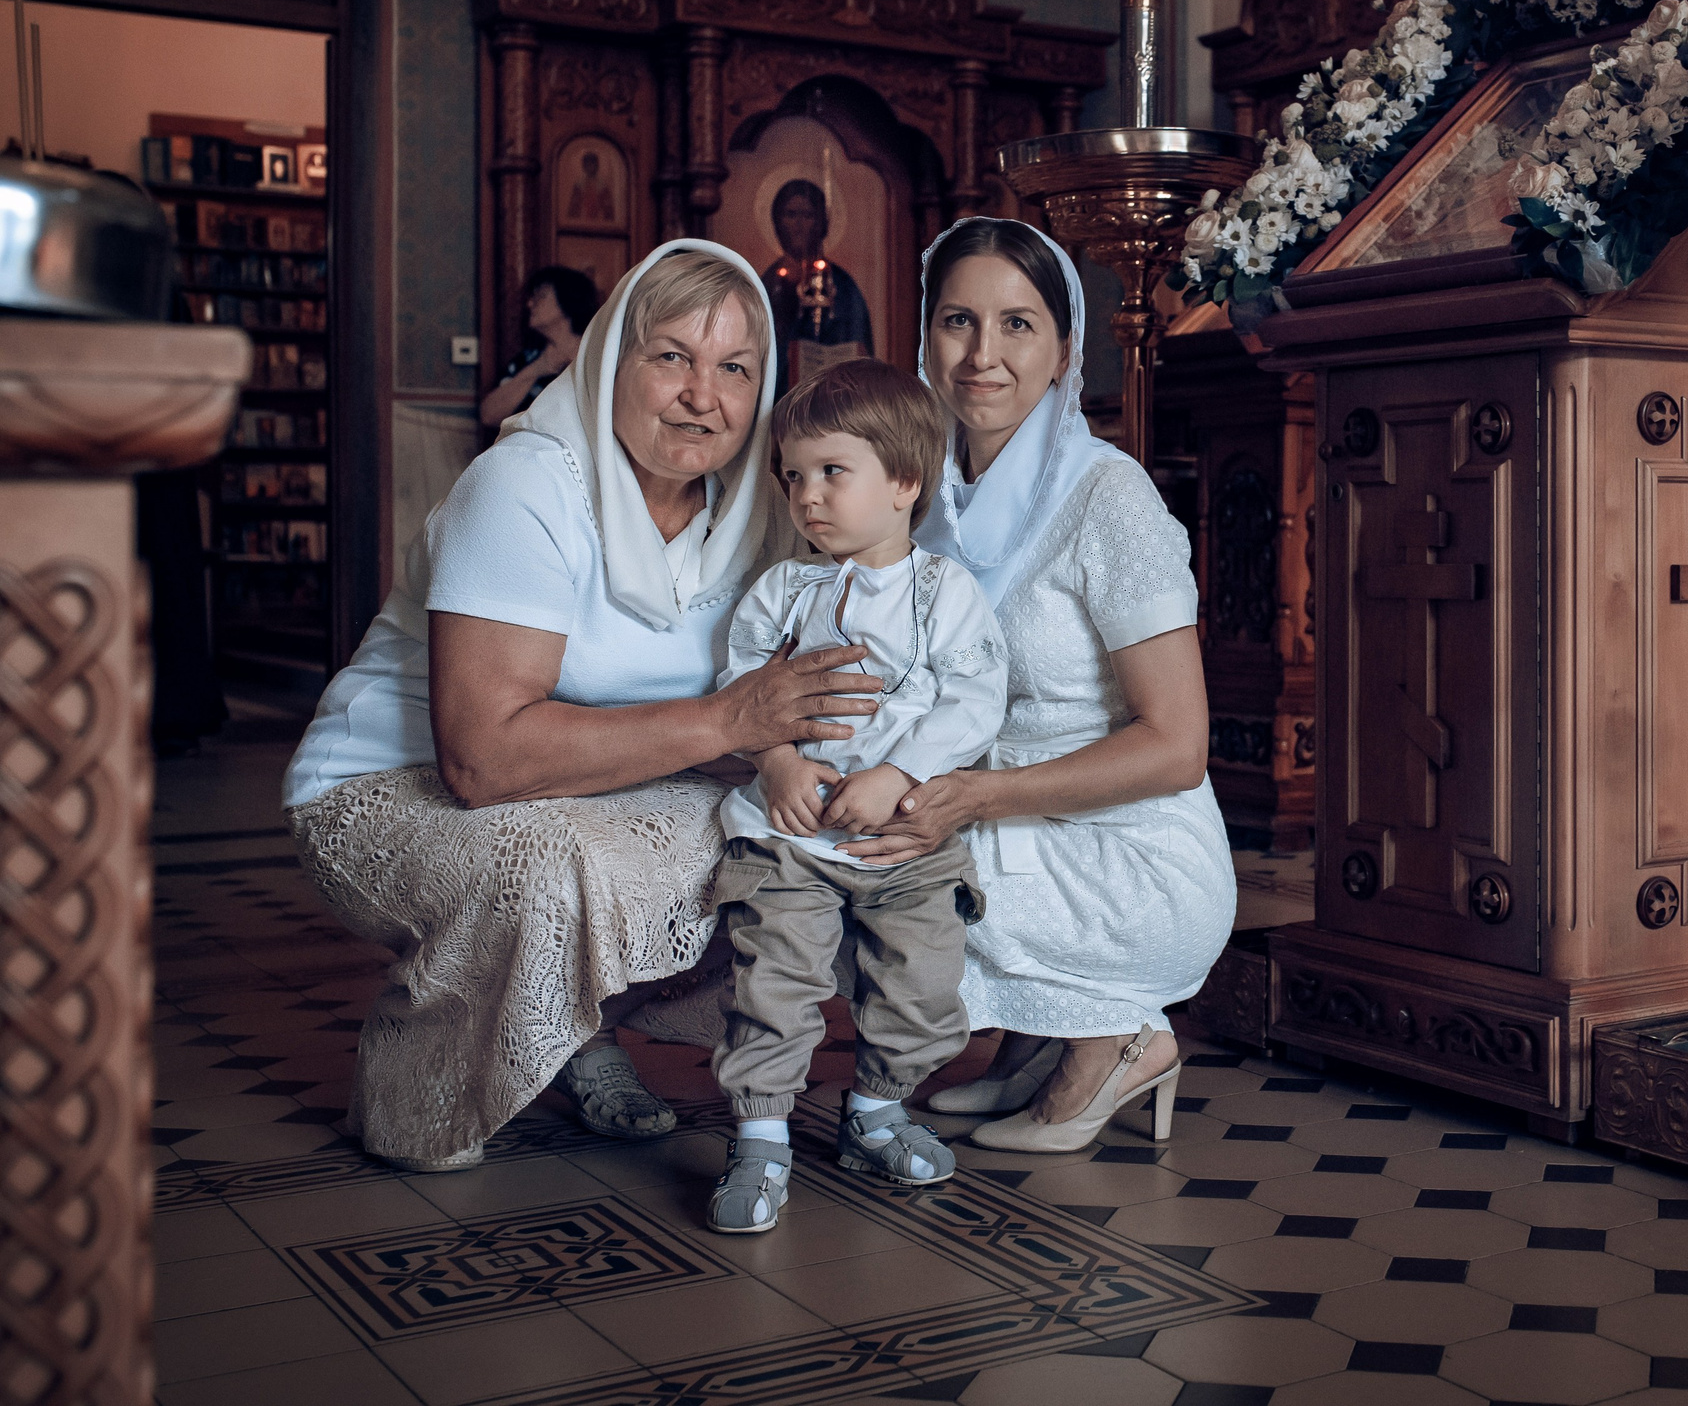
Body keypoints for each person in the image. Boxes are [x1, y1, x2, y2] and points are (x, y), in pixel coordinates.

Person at [281, 241, 885, 1172]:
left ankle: (569, 1025)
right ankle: (416, 1095)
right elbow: (480, 761)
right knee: (551, 861)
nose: (704, 396)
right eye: (672, 357)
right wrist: (731, 720)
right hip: (389, 792)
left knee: (795, 844)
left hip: (595, 783)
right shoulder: (523, 487)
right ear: (609, 360)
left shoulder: (760, 507)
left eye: (736, 369)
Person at [839, 216, 1234, 1154]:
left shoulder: (1109, 497)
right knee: (817, 835)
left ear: (1065, 351)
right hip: (1009, 822)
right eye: (958, 321)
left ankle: (1120, 1037)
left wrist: (972, 795)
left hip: (1134, 860)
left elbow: (1177, 747)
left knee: (861, 877)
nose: (983, 354)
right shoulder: (927, 496)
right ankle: (1037, 1039)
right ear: (925, 337)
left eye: (1018, 325)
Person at [704, 360, 1008, 1232]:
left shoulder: (944, 593)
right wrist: (778, 764)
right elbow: (740, 691)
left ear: (904, 481)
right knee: (775, 979)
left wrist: (899, 774)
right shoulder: (782, 591)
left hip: (903, 841)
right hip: (791, 838)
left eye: (833, 471)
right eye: (794, 475)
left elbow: (974, 695)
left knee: (922, 981)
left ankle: (877, 1111)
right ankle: (760, 1139)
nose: (808, 496)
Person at [478, 266, 600, 428]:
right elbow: (488, 416)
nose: (529, 304)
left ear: (568, 300)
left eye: (540, 296)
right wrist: (538, 368)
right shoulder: (527, 359)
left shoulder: (598, 354)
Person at [763, 178, 874, 356]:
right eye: (791, 214)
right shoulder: (768, 283)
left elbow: (857, 346)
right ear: (777, 222)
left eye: (807, 215)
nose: (798, 224)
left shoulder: (842, 285)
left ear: (821, 223)